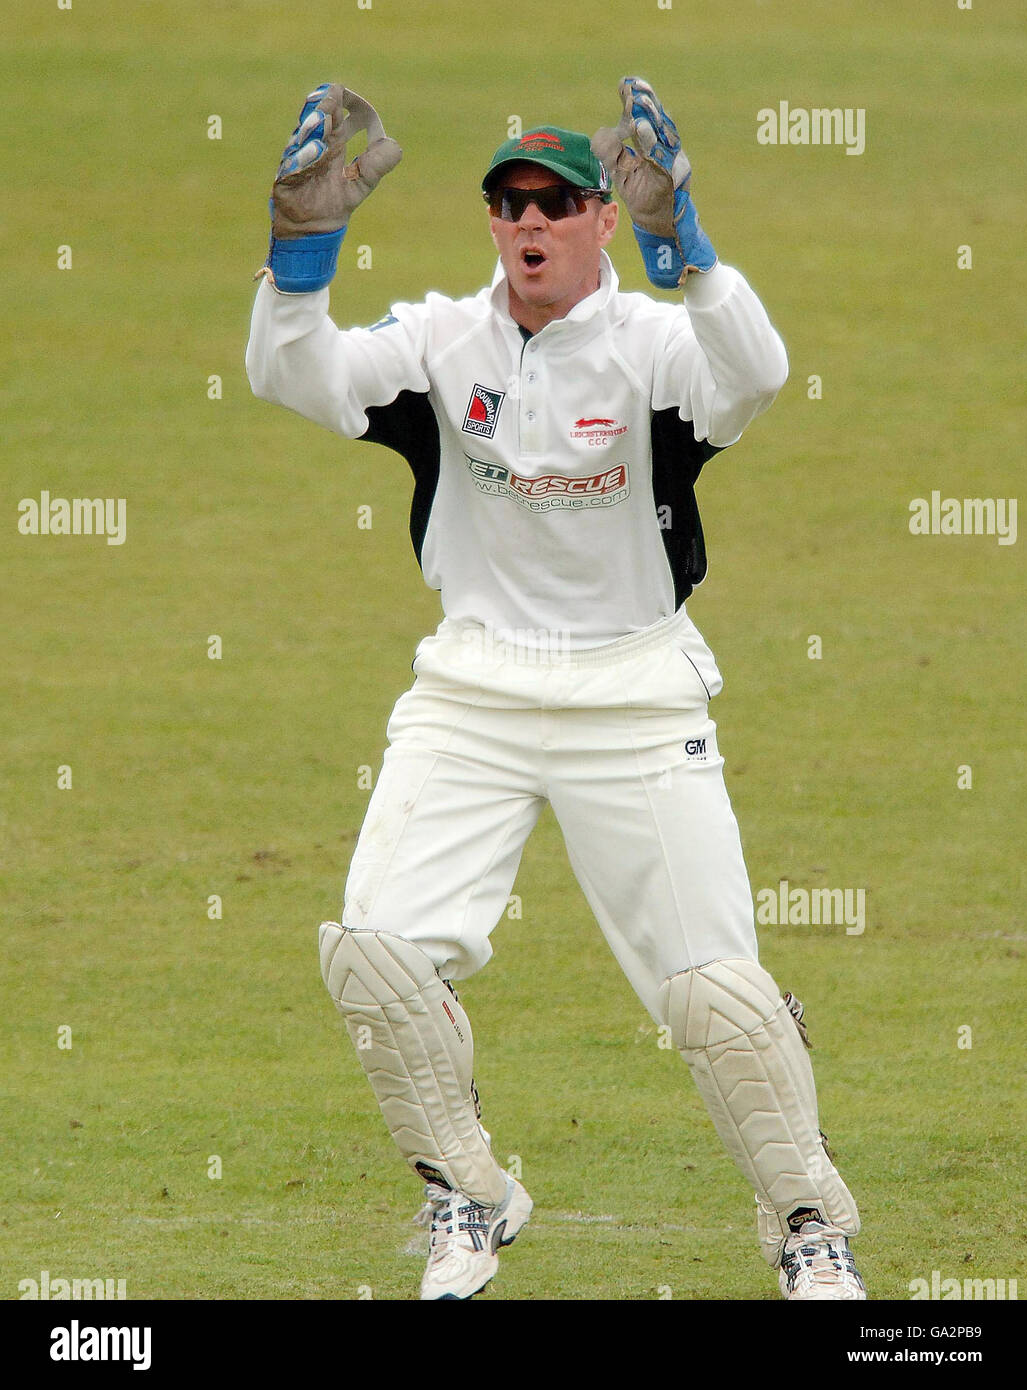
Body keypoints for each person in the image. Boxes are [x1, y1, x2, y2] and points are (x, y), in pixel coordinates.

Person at [246, 77, 866, 1302]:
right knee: (373, 955)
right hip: (472, 684)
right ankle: (468, 1194)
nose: (529, 221)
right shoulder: (438, 341)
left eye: (557, 201)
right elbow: (292, 376)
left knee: (718, 1000)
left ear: (598, 219)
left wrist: (692, 252)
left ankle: (808, 1226)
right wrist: (300, 258)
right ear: (492, 223)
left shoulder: (654, 346)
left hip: (635, 689)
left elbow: (758, 376)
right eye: (508, 202)